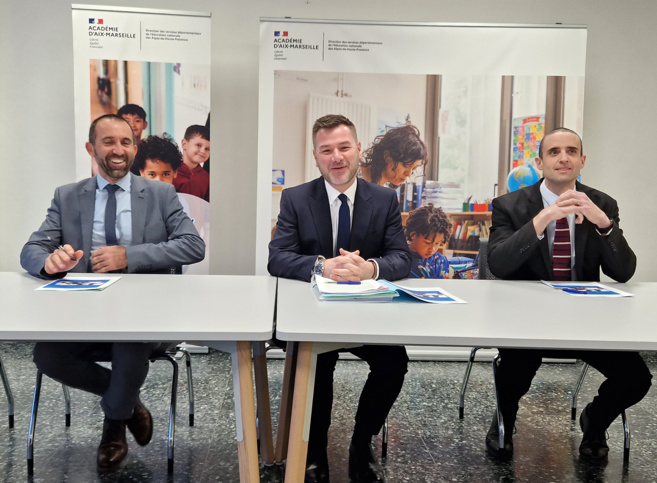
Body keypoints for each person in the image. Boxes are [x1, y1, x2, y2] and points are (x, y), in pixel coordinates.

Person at [20, 114, 205, 471]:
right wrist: (49, 262)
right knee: (47, 355)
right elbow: (32, 249)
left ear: (134, 149)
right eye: (108, 142)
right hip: (83, 312)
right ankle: (129, 405)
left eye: (125, 142)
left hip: (144, 314)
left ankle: (113, 430)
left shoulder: (161, 193)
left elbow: (192, 246)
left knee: (129, 340)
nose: (118, 150)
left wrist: (129, 255)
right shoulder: (68, 196)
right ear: (91, 148)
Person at [485, 127, 652, 463]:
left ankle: (595, 421)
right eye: (554, 152)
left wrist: (603, 224)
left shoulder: (602, 204)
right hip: (528, 318)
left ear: (582, 161)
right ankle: (504, 422)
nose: (564, 158)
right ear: (539, 163)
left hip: (586, 319)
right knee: (513, 371)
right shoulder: (509, 206)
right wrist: (545, 217)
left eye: (571, 151)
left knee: (636, 378)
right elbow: (499, 264)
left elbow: (623, 272)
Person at [268, 114, 411, 483]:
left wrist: (370, 269)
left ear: (358, 149)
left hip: (368, 315)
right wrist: (322, 266)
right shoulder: (296, 198)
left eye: (344, 147)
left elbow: (401, 257)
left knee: (394, 363)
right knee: (316, 364)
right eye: (326, 150)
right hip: (314, 314)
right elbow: (277, 257)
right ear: (315, 156)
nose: (336, 157)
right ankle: (314, 449)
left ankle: (361, 444)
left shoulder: (384, 199)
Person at [360, 124, 427, 188]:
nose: (409, 174)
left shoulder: (385, 190)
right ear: (387, 157)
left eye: (414, 168)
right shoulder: (356, 177)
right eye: (406, 165)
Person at [405, 204, 453, 279]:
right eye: (428, 242)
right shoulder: (399, 259)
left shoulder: (440, 260)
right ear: (413, 235)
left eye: (437, 243)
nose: (432, 249)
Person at [173, 125, 210, 202]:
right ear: (184, 144)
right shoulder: (170, 172)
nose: (203, 151)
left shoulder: (206, 177)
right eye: (198, 145)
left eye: (207, 149)